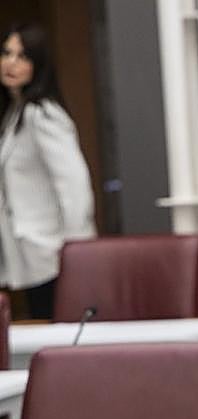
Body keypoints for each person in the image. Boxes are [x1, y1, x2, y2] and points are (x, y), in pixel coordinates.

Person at [0, 22, 95, 319]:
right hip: (30, 254)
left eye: (22, 56)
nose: (11, 63)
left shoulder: (42, 114)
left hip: (52, 254)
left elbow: (75, 184)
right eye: (7, 53)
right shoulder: (15, 113)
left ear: (38, 65)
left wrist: (76, 254)